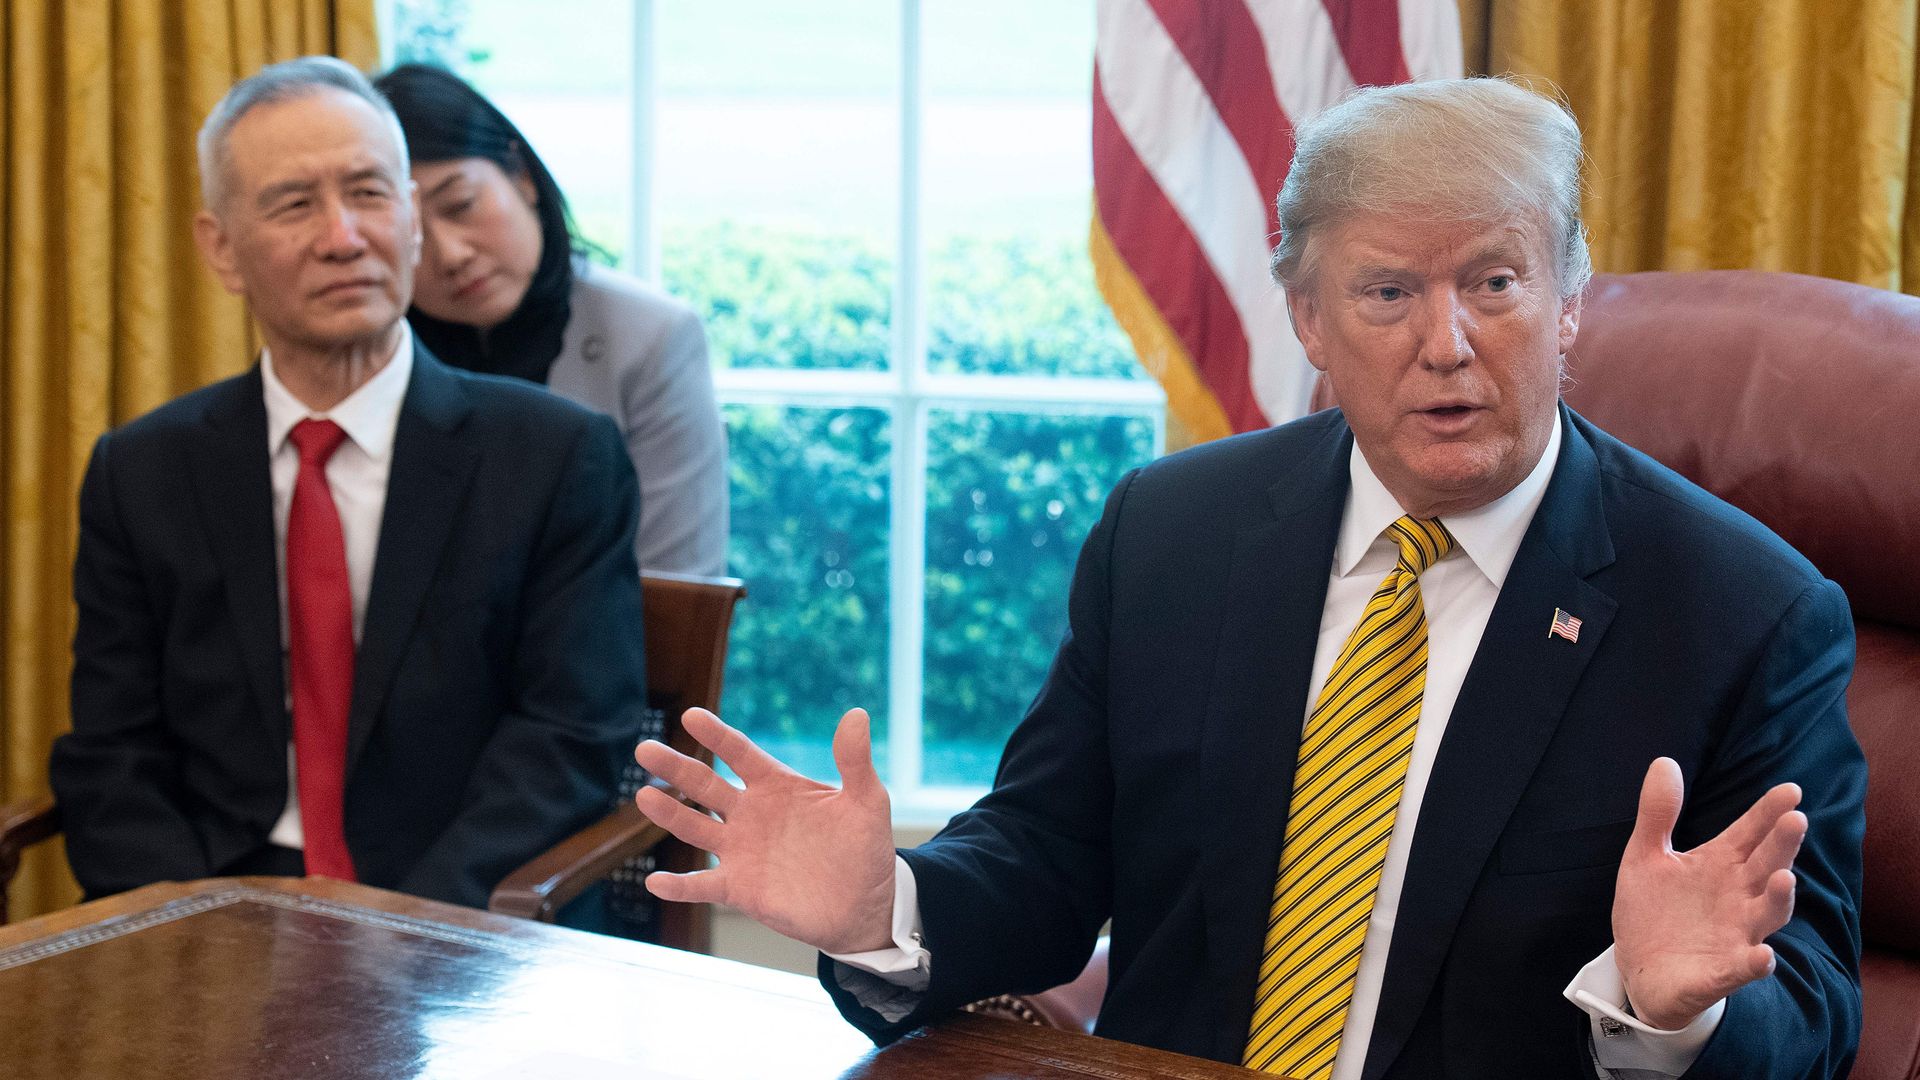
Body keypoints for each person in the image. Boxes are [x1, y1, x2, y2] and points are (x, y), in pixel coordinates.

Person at [630, 77, 1865, 1079]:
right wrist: (885, 906)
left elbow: (1813, 1008)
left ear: (1569, 301)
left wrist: (1676, 1010)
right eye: (1388, 293)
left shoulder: (1744, 614)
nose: (1449, 344)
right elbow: (1050, 852)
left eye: (1496, 282)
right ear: (1309, 322)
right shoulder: (1173, 531)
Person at [49, 56, 648, 910]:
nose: (343, 236)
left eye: (369, 193)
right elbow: (111, 753)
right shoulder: (141, 471)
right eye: (296, 204)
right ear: (221, 249)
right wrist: (186, 930)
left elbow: (568, 741)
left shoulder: (555, 457)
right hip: (221, 916)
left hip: (460, 914)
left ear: (408, 219)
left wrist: (401, 931)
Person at [373, 63, 727, 577]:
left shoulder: (650, 339)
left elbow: (678, 594)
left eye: (462, 204)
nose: (451, 254)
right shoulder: (371, 353)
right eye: (411, 234)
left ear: (521, 177)